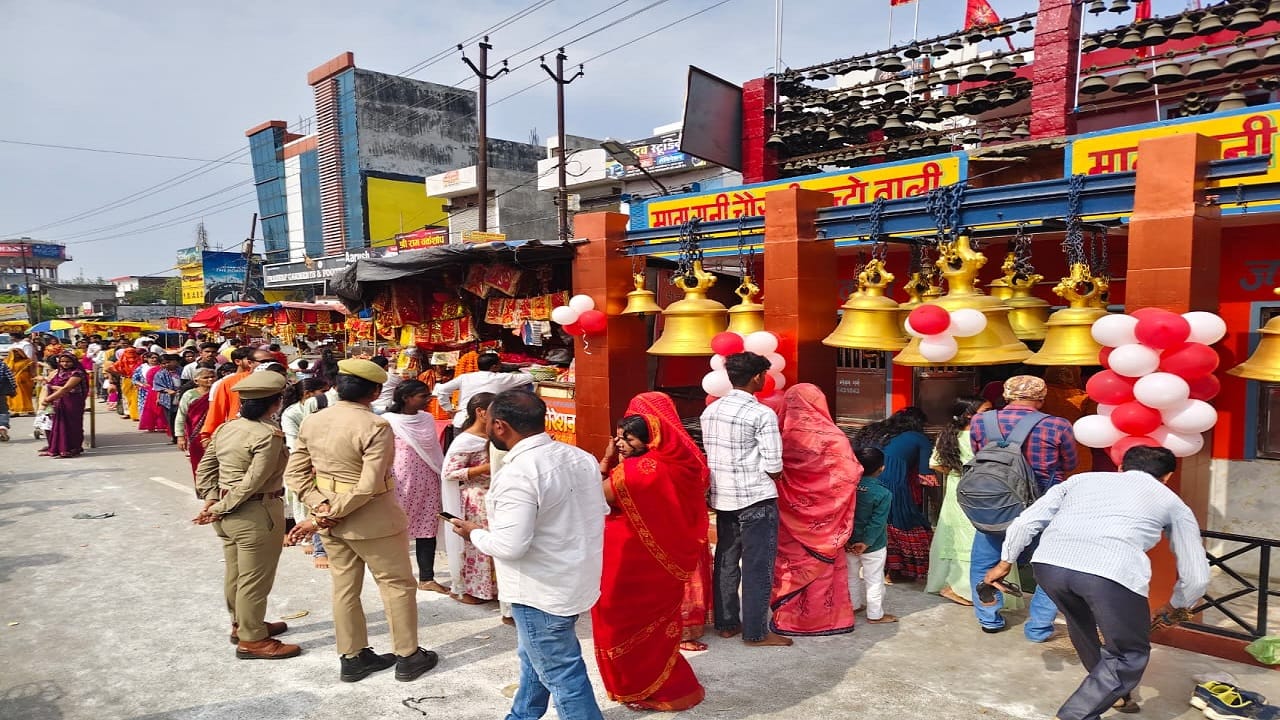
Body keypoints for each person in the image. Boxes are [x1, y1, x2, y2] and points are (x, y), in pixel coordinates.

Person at [984, 446, 1210, 720]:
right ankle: (1075, 714)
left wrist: (1005, 561)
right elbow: (1196, 573)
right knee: (1129, 652)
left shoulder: (1081, 480)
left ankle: (1115, 695)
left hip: (1049, 566)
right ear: (1168, 476)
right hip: (1109, 574)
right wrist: (1178, 604)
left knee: (1081, 628)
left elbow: (1025, 522)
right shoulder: (1172, 502)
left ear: (1120, 467)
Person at [450, 390, 607, 720]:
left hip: (539, 590)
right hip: (574, 578)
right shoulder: (581, 458)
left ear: (501, 426)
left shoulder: (519, 472)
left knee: (563, 675)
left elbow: (509, 546)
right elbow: (596, 512)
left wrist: (473, 533)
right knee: (536, 657)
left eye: (491, 424)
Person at [284, 358, 438, 683]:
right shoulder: (375, 426)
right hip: (371, 518)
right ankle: (408, 655)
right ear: (376, 391)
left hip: (331, 515)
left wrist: (321, 509)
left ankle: (352, 657)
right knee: (396, 586)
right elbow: (368, 485)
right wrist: (328, 514)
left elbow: (295, 474)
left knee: (344, 588)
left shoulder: (314, 420)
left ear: (337, 387)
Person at [592, 393, 708, 711]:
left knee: (620, 623)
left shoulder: (638, 471)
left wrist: (605, 462)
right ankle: (650, 685)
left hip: (630, 564)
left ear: (650, 438)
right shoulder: (676, 466)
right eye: (618, 436)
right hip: (655, 564)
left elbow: (594, 496)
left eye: (627, 438)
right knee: (652, 628)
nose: (620, 443)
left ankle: (645, 687)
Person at [192, 371, 301, 660]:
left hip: (228, 511)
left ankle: (242, 624)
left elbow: (206, 468)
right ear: (275, 403)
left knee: (236, 573)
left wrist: (212, 499)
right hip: (255, 512)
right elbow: (254, 480)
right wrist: (220, 506)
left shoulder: (228, 428)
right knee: (255, 579)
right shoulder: (268, 435)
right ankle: (252, 640)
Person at [968, 375, 1077, 640]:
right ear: (1041, 397)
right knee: (1049, 567)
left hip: (994, 503)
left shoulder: (980, 421)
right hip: (1042, 505)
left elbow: (977, 455)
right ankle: (1038, 628)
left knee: (985, 561)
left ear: (1006, 395)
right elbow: (1069, 463)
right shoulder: (1057, 425)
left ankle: (989, 619)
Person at [700, 352, 791, 648]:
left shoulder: (710, 411)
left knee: (726, 559)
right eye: (764, 375)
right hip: (755, 497)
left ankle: (726, 623)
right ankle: (756, 632)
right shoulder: (761, 414)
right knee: (756, 565)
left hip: (723, 497)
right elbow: (774, 464)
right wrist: (773, 476)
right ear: (757, 377)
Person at [768, 384, 862, 636]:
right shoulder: (834, 438)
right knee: (825, 571)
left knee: (791, 566)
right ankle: (827, 621)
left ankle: (788, 620)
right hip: (827, 520)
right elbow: (851, 473)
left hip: (788, 515)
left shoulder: (777, 435)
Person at [853, 407, 934, 582]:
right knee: (905, 522)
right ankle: (894, 571)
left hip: (859, 483)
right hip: (893, 486)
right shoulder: (919, 438)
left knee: (871, 521)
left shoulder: (872, 430)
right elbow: (926, 474)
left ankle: (869, 567)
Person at [383, 380, 448, 593]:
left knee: (427, 529)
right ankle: (396, 576)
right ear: (406, 398)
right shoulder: (387, 421)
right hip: (401, 482)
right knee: (397, 528)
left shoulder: (427, 419)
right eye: (423, 396)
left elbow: (433, 450)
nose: (429, 399)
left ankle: (427, 578)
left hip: (429, 480)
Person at [926, 397, 991, 606]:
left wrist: (957, 472)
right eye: (986, 410)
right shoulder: (983, 436)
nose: (991, 414)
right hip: (980, 488)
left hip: (957, 487)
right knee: (974, 535)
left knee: (955, 534)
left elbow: (935, 463)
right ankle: (960, 587)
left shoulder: (948, 435)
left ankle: (952, 582)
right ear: (969, 414)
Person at [440, 392, 498, 605]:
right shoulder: (465, 440)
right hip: (476, 499)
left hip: (495, 495)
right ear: (481, 413)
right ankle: (474, 590)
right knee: (478, 544)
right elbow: (449, 473)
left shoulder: (494, 436)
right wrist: (485, 468)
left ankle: (494, 589)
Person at [280, 377, 332, 568]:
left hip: (323, 463)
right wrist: (307, 462)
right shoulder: (292, 414)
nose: (326, 395)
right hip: (300, 460)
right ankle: (305, 536)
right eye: (322, 391)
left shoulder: (327, 411)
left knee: (321, 501)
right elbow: (294, 442)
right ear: (308, 394)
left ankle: (312, 536)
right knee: (300, 499)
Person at [847, 446, 897, 624]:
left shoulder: (847, 487)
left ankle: (852, 606)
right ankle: (875, 615)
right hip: (873, 545)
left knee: (851, 576)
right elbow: (878, 522)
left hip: (848, 542)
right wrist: (866, 542)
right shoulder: (883, 493)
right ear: (881, 468)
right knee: (874, 579)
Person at [433, 352, 534, 431]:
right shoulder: (501, 378)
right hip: (484, 425)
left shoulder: (465, 377)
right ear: (494, 366)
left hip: (462, 421)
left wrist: (448, 409)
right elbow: (530, 377)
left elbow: (441, 390)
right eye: (500, 364)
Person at [202, 347, 272, 439]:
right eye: (264, 362)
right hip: (239, 433)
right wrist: (207, 435)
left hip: (272, 431)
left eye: (271, 361)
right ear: (250, 363)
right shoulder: (229, 382)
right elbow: (217, 410)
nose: (269, 364)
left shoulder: (281, 380)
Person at [39, 353, 87, 459]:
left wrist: (48, 399)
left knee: (72, 425)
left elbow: (66, 389)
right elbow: (51, 384)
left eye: (68, 361)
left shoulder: (77, 373)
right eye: (62, 361)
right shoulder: (59, 373)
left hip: (73, 402)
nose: (65, 364)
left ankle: (72, 448)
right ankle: (57, 448)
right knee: (58, 425)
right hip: (59, 401)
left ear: (73, 362)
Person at [176, 369, 215, 477]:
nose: (210, 379)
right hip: (196, 435)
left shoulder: (218, 392)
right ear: (196, 381)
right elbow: (181, 416)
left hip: (216, 434)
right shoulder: (189, 395)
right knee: (199, 464)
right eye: (206, 377)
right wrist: (180, 437)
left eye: (212, 376)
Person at [153, 354, 183, 442]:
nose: (166, 365)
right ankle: (174, 436)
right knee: (171, 418)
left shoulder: (182, 370)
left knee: (182, 417)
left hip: (181, 396)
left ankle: (183, 435)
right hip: (167, 400)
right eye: (163, 363)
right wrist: (167, 390)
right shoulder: (160, 374)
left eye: (168, 362)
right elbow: (157, 386)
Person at [109, 347, 143, 421]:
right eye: (129, 352)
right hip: (127, 380)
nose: (131, 355)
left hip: (135, 380)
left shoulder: (139, 360)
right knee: (127, 397)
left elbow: (109, 368)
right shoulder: (123, 361)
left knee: (135, 397)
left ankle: (135, 414)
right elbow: (109, 368)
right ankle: (129, 413)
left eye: (132, 352)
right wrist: (120, 374)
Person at [136, 353, 167, 431]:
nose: (154, 360)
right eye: (152, 358)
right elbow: (147, 380)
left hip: (156, 390)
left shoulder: (165, 370)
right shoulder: (145, 368)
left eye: (156, 358)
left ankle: (160, 425)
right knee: (155, 409)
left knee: (160, 409)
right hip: (153, 391)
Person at [6, 347, 36, 416]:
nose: (16, 354)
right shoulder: (8, 361)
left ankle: (29, 409)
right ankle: (16, 411)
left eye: (18, 352)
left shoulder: (27, 361)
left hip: (25, 382)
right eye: (14, 353)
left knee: (26, 396)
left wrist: (34, 379)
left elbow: (32, 372)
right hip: (12, 381)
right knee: (15, 396)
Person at [0, 359, 14, 443]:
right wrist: (13, 387)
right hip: (1, 392)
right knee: (3, 410)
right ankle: (2, 427)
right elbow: (10, 377)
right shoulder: (2, 364)